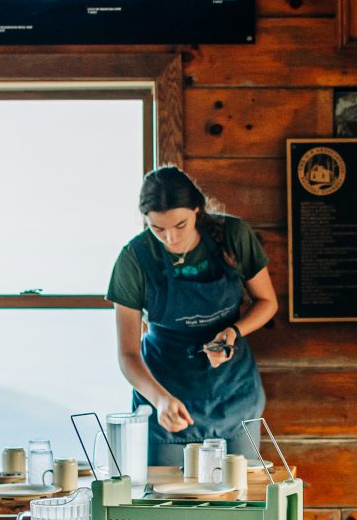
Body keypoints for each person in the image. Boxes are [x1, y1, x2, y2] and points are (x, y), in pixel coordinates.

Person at [109, 166, 278, 469]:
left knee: (239, 500)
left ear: (197, 210)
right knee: (170, 501)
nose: (170, 238)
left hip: (234, 391)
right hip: (166, 390)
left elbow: (267, 302)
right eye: (157, 228)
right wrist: (159, 400)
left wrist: (233, 332)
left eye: (180, 224)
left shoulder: (232, 236)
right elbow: (128, 354)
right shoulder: (133, 259)